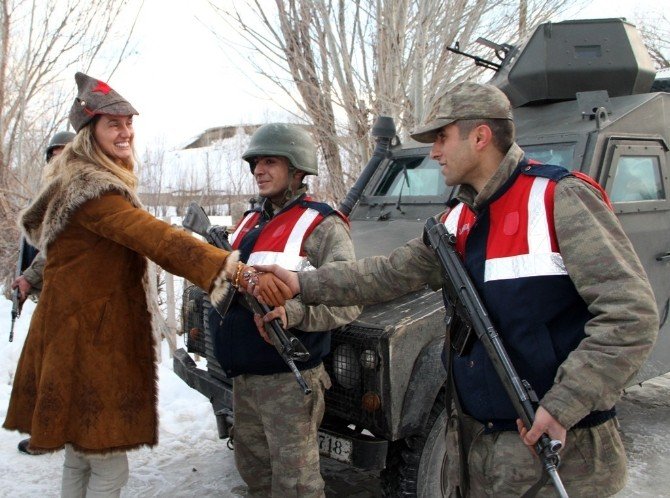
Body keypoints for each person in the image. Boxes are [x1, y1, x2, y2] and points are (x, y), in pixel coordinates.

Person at [250, 83, 659, 497]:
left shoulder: (559, 198)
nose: (434, 152)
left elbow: (631, 317)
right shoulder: (459, 219)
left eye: (442, 138)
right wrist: (302, 282)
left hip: (559, 450)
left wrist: (564, 404)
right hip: (477, 446)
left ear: (480, 137)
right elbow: (387, 274)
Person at [2, 72, 290, 497]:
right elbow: (159, 238)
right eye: (112, 124)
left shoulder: (75, 185)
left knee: (81, 456)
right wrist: (236, 272)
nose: (125, 132)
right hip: (91, 344)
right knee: (106, 466)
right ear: (88, 133)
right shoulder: (95, 193)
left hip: (70, 336)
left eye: (128, 122)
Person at [212, 123, 361, 498]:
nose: (259, 170)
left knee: (296, 488)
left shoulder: (323, 226)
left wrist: (295, 314)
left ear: (297, 170)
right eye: (255, 163)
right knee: (256, 477)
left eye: (270, 162)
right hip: (245, 380)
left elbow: (349, 300)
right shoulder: (250, 222)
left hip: (288, 383)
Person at [12, 130, 76, 456]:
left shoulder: (80, 195)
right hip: (54, 296)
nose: (58, 159)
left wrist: (29, 277)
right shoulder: (51, 197)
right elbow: (42, 248)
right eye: (54, 154)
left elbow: (58, 249)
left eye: (66, 153)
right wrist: (26, 280)